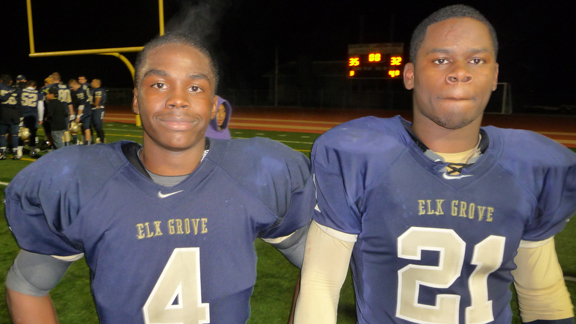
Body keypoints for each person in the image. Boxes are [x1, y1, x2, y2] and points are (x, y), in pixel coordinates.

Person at [5, 32, 314, 323]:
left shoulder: (258, 173)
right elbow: (27, 285)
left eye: (195, 87)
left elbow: (319, 268)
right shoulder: (81, 182)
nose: (177, 99)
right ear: (136, 100)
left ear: (214, 106)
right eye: (159, 85)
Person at [295, 4, 576, 324]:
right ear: (410, 75)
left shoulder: (532, 167)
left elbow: (541, 296)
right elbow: (321, 284)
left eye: (476, 59)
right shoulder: (358, 156)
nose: (459, 71)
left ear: (495, 75)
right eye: (441, 60)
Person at [0, 74, 23, 159]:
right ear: (10, 82)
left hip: (4, 113)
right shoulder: (16, 89)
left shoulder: (2, 88)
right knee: (14, 134)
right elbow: (20, 103)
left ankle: (2, 153)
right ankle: (15, 152)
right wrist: (21, 115)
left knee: (2, 134)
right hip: (15, 113)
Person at [21, 80, 45, 156]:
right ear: (34, 86)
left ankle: (19, 149)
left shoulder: (21, 92)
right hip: (33, 115)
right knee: (33, 133)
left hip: (23, 114)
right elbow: (41, 107)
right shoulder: (38, 93)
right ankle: (33, 150)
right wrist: (41, 118)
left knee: (21, 132)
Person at [69, 78, 92, 145]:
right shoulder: (83, 87)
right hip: (88, 109)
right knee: (86, 127)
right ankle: (87, 142)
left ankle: (76, 141)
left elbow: (81, 105)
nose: (71, 88)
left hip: (83, 110)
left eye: (72, 87)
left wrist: (78, 116)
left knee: (72, 125)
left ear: (75, 85)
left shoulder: (80, 91)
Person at [90, 78, 106, 143]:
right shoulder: (93, 90)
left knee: (98, 126)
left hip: (97, 110)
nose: (91, 83)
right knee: (92, 125)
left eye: (92, 82)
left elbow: (96, 103)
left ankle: (102, 140)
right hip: (94, 109)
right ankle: (92, 140)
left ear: (97, 83)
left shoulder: (98, 90)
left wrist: (89, 104)